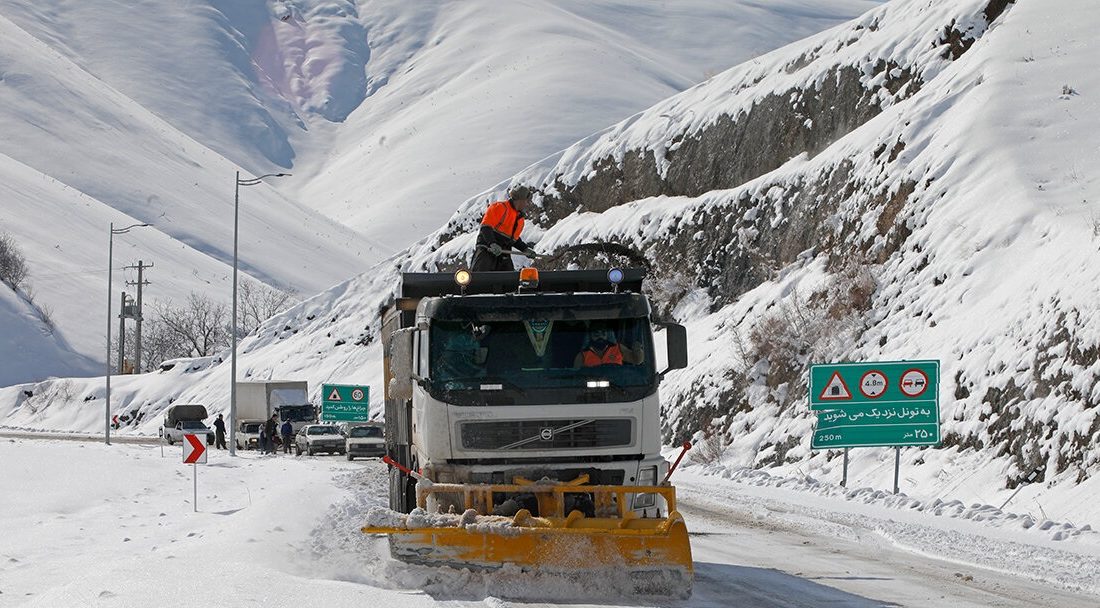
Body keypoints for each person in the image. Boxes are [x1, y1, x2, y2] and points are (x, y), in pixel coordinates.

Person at [471, 186, 539, 271]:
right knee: (481, 278)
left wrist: (525, 249)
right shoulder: (499, 207)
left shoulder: (520, 220)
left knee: (508, 280)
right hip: (487, 250)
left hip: (504, 253)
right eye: (527, 201)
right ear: (520, 199)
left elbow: (514, 240)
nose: (527, 204)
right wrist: (492, 243)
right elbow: (486, 228)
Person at [573, 325, 644, 368]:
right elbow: (576, 376)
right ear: (590, 336)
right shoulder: (582, 355)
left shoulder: (618, 348)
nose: (600, 336)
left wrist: (637, 350)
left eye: (603, 333)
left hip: (617, 386)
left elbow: (637, 360)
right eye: (596, 334)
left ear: (608, 335)